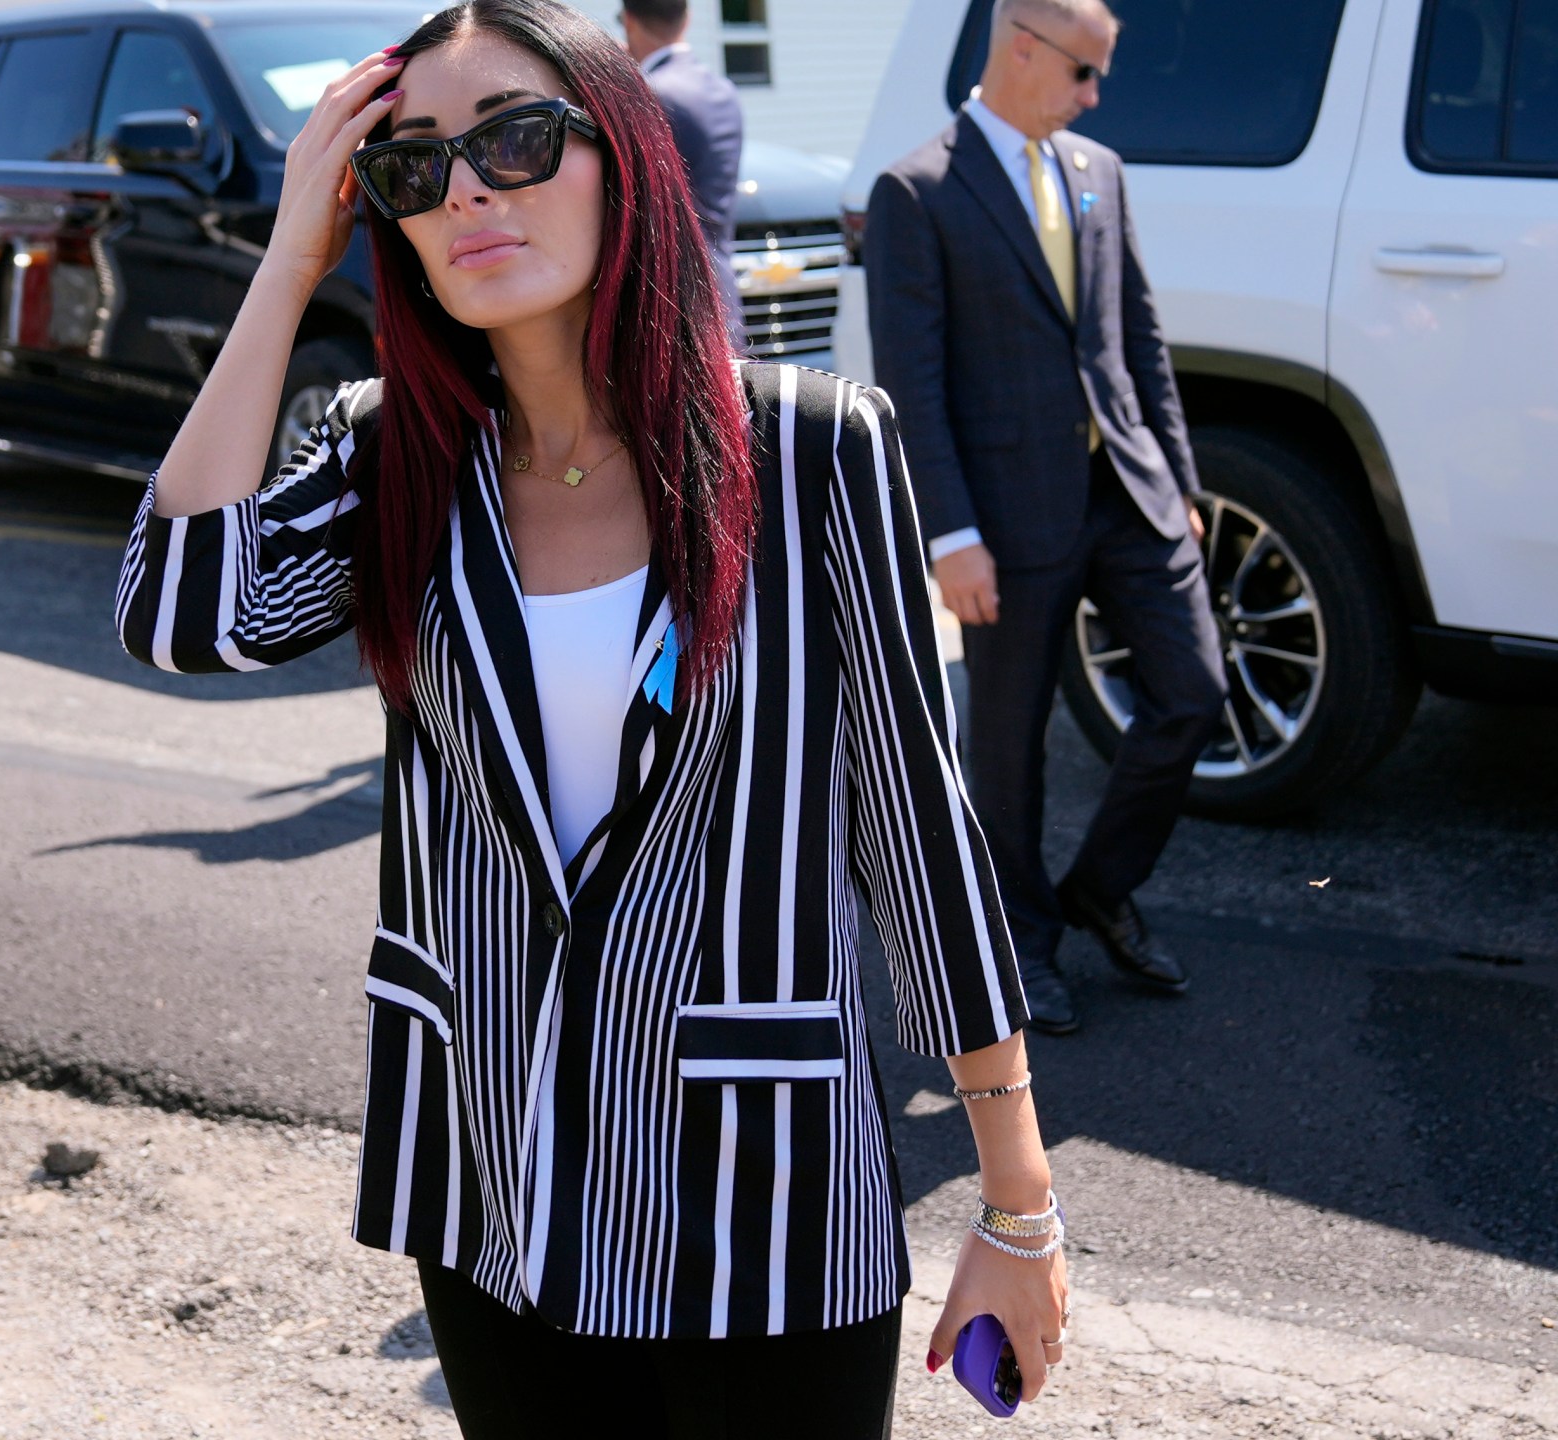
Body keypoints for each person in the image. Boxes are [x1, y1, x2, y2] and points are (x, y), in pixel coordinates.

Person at [114, 2, 1068, 1433]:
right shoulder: (398, 461)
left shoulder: (810, 452)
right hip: (497, 1186)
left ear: (624, 156)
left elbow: (912, 834)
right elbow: (181, 612)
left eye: (513, 137)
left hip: (766, 1198)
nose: (470, 190)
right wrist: (289, 260)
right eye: (415, 167)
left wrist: (1019, 1207)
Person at [864, 0, 1223, 1033]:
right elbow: (911, 385)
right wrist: (950, 535)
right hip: (1004, 520)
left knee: (1192, 693)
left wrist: (1181, 486)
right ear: (1023, 45)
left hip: (1130, 495)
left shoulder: (1099, 171)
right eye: (1083, 73)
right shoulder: (916, 190)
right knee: (1008, 747)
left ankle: (1098, 892)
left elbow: (1137, 340)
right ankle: (1019, 943)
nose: (1094, 95)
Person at [618, 0, 744, 350]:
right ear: (686, 19)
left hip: (670, 301)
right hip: (722, 291)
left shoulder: (649, 94)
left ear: (628, 21)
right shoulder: (724, 91)